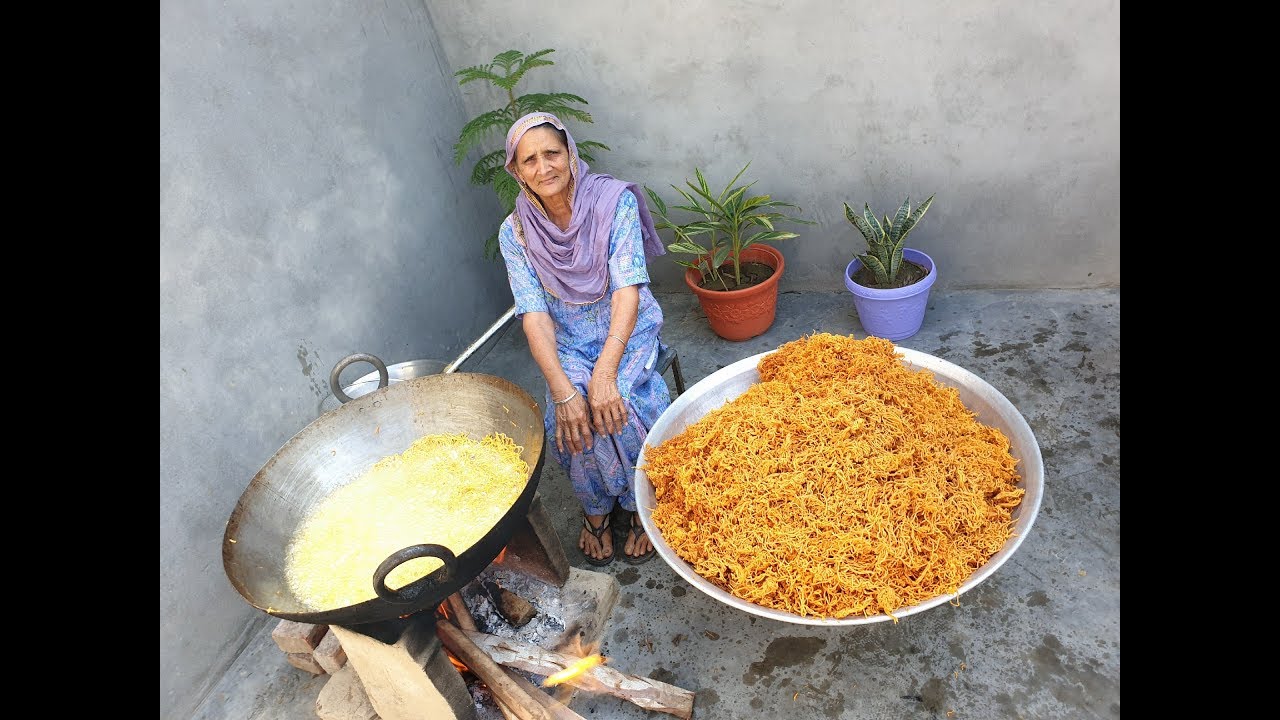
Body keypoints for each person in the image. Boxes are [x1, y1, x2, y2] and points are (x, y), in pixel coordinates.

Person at [497, 111, 671, 566]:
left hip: (625, 330)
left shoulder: (613, 203)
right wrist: (561, 387)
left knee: (623, 407)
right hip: (568, 339)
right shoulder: (514, 232)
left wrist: (607, 372)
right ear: (517, 171)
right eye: (529, 159)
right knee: (567, 415)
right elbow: (533, 314)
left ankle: (640, 507)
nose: (544, 167)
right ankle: (596, 508)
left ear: (570, 154)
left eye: (552, 153)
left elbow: (627, 288)